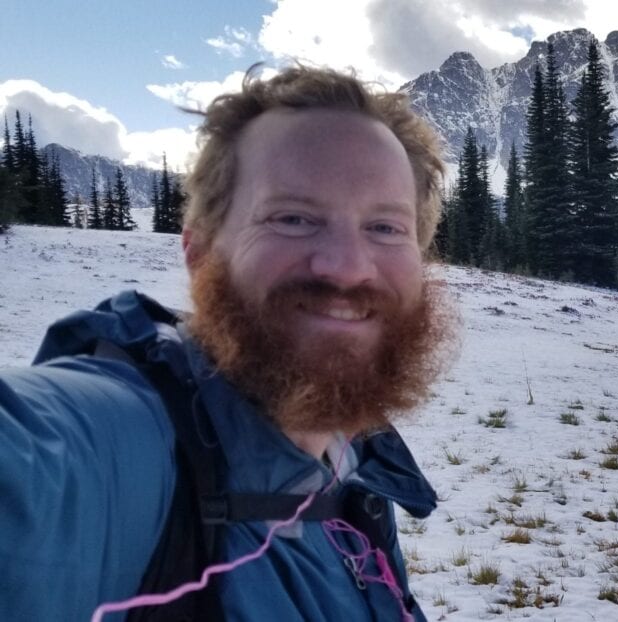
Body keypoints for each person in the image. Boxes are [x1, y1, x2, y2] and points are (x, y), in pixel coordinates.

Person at [0, 65, 456, 621]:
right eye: (292, 217)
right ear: (199, 255)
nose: (348, 268)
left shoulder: (353, 470)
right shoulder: (120, 446)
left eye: (385, 227)